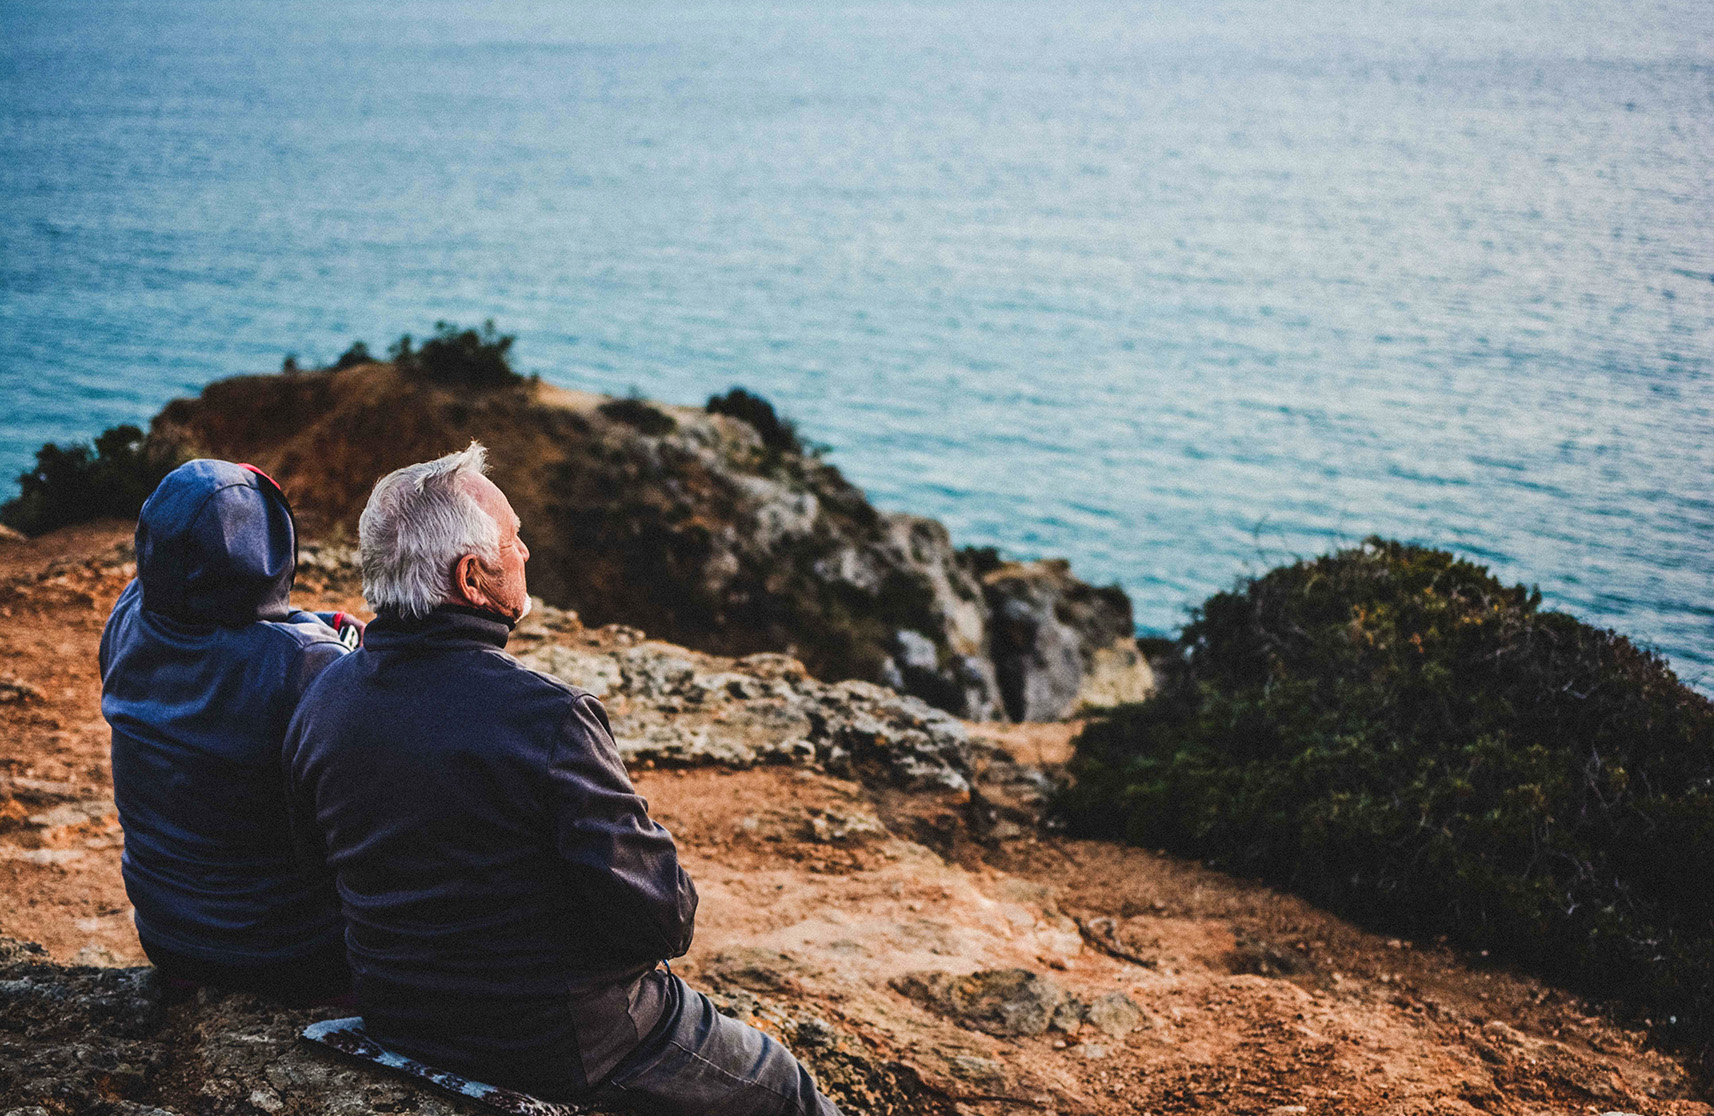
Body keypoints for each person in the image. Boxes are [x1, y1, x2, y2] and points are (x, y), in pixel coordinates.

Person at [283, 443, 840, 1115]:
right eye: (514, 542)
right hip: (565, 1041)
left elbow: (315, 867)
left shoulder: (323, 697)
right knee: (783, 1085)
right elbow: (664, 919)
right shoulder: (547, 719)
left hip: (397, 1014)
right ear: (471, 577)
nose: (527, 554)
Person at [100, 459, 361, 1003]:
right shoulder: (303, 664)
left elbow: (224, 628)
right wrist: (335, 639)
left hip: (167, 936)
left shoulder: (128, 615)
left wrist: (311, 626)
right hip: (290, 952)